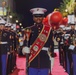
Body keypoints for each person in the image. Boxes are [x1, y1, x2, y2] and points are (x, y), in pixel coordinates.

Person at [22, 7, 54, 75]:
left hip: (44, 61)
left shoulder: (48, 30)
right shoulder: (29, 29)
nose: (38, 18)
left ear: (43, 17)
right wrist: (25, 48)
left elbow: (52, 44)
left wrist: (52, 56)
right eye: (36, 17)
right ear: (33, 18)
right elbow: (24, 43)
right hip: (32, 61)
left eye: (40, 16)